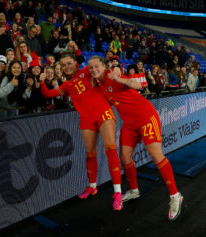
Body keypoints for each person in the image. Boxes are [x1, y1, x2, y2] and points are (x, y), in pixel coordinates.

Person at [87, 55, 183, 220]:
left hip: (146, 116)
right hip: (129, 123)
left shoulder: (113, 76)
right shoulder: (99, 84)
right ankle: (133, 190)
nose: (94, 69)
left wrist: (120, 79)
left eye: (97, 66)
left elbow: (137, 84)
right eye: (91, 67)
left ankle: (175, 196)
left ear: (104, 66)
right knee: (125, 157)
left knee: (156, 155)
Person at [39, 54, 123, 211]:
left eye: (69, 63)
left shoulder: (86, 70)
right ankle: (92, 186)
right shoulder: (66, 86)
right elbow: (47, 94)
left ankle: (117, 192)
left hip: (103, 114)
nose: (67, 66)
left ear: (75, 63)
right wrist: (41, 80)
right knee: (90, 154)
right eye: (63, 65)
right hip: (86, 120)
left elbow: (100, 67)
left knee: (110, 149)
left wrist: (115, 68)